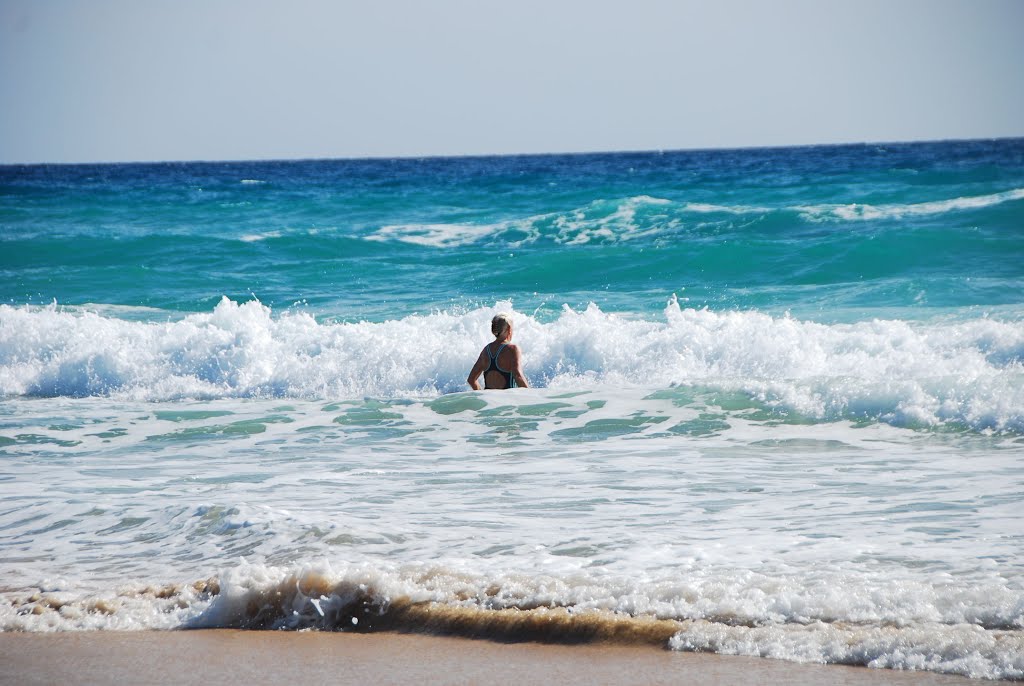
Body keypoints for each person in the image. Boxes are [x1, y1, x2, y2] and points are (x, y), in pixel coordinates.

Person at [467, 313, 529, 390]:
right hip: (507, 400)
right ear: (509, 329)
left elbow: (471, 380)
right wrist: (530, 396)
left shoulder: (486, 350)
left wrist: (482, 394)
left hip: (489, 400)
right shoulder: (513, 349)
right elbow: (518, 376)